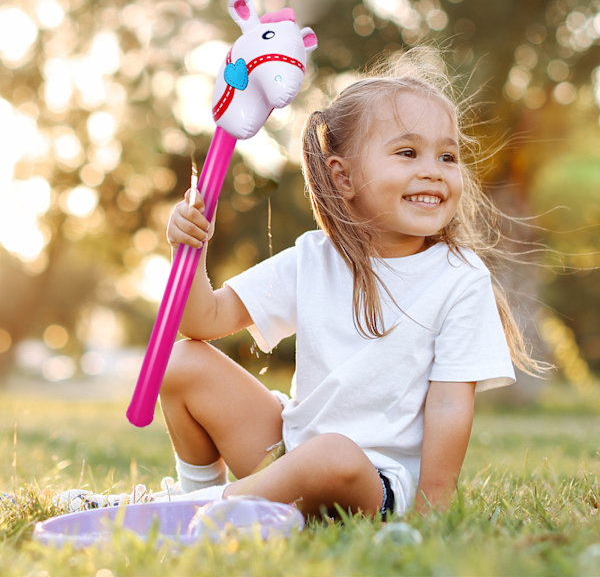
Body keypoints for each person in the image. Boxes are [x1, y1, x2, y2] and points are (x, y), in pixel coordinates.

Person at [153, 47, 540, 520]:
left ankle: (195, 510)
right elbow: (200, 320)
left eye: (447, 155)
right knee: (180, 360)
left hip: (371, 483)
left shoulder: (459, 279)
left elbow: (448, 408)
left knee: (332, 454)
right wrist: (188, 251)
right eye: (407, 152)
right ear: (343, 176)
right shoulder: (315, 257)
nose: (433, 170)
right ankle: (198, 498)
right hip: (289, 452)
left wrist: (431, 511)